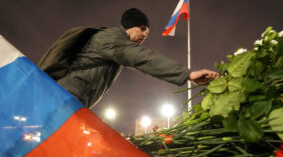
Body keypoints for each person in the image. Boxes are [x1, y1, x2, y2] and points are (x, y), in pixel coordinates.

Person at [44, 8, 219, 108]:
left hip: (72, 101)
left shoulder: (115, 46)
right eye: (142, 28)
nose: (145, 34)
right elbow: (144, 58)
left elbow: (142, 61)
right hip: (66, 99)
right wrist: (188, 74)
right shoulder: (111, 39)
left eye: (148, 32)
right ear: (129, 26)